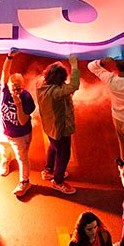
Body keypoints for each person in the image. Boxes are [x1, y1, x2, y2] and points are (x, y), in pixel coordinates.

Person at [36, 57, 82, 194]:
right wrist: (74, 65)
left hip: (50, 127)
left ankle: (48, 170)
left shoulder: (41, 84)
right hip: (59, 128)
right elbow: (74, 86)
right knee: (64, 154)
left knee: (53, 146)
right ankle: (58, 181)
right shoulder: (55, 92)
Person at [0, 48, 37, 198]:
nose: (15, 90)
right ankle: (6, 160)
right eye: (13, 86)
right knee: (3, 147)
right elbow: (4, 73)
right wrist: (9, 57)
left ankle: (25, 182)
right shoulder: (5, 90)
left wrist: (19, 104)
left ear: (23, 85)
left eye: (18, 87)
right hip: (3, 130)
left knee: (22, 158)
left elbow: (22, 122)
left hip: (20, 135)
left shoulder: (26, 99)